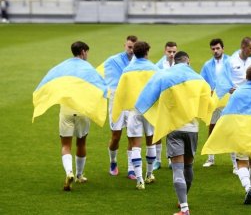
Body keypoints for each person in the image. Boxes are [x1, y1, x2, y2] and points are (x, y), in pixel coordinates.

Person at [135, 51, 214, 215]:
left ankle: (184, 207)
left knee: (177, 168)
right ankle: (183, 199)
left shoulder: (165, 75)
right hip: (192, 128)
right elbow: (208, 100)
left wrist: (156, 114)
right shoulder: (199, 79)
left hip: (174, 128)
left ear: (174, 61)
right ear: (188, 61)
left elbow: (145, 98)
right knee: (188, 166)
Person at [32, 41, 107, 191]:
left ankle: (69, 172)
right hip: (82, 110)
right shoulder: (88, 68)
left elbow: (48, 79)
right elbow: (101, 85)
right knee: (81, 143)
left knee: (66, 145)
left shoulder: (62, 67)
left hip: (66, 110)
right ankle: (79, 175)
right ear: (84, 52)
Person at [202, 65, 251, 205]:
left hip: (241, 131)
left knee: (241, 162)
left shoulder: (238, 93)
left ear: (246, 77)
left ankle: (248, 188)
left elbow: (228, 112)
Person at [112, 41, 159, 190]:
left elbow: (120, 94)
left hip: (134, 111)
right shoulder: (154, 69)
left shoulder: (127, 71)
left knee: (135, 145)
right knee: (151, 142)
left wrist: (117, 112)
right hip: (150, 110)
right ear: (147, 52)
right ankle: (149, 174)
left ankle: (139, 180)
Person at [97, 35, 138, 179]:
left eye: (134, 47)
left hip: (133, 102)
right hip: (117, 103)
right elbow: (100, 74)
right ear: (124, 46)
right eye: (129, 47)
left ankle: (131, 168)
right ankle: (113, 161)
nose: (131, 50)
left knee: (132, 136)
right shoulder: (113, 60)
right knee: (116, 136)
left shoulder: (140, 62)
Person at [227, 37, 251, 173]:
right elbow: (224, 78)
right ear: (243, 47)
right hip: (236, 102)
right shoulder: (231, 61)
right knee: (236, 131)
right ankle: (235, 164)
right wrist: (228, 88)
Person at [200, 38, 236, 169]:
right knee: (212, 127)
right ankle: (210, 158)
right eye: (213, 49)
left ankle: (235, 162)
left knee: (230, 130)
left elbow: (238, 77)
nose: (215, 51)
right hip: (214, 100)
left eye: (217, 48)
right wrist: (208, 90)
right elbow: (202, 81)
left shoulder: (231, 61)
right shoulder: (207, 65)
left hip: (229, 100)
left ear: (223, 48)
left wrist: (234, 88)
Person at [153, 41, 178, 170]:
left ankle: (170, 158)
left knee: (171, 131)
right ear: (165, 51)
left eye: (174, 52)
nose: (172, 54)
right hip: (161, 102)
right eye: (169, 51)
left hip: (174, 103)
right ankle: (157, 160)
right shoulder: (158, 65)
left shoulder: (179, 64)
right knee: (158, 130)